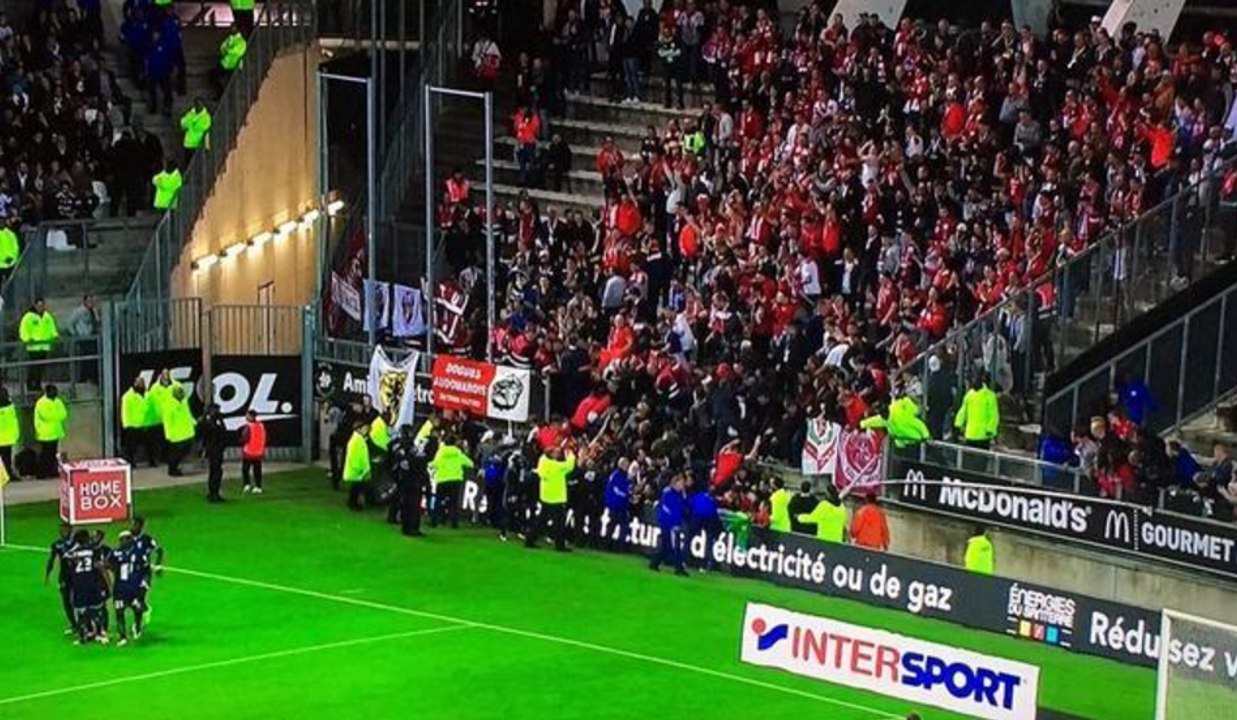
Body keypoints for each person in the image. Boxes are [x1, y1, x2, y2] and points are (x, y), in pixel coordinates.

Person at [526, 445, 575, 551]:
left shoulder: (543, 462)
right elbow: (569, 466)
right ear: (551, 454)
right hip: (556, 497)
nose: (558, 454)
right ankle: (559, 545)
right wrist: (571, 455)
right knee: (559, 523)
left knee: (541, 522)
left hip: (546, 496)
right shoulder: (554, 466)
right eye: (556, 452)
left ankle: (530, 540)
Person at [65, 529, 109, 644]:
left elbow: (67, 559)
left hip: (79, 584)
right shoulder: (93, 550)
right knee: (97, 610)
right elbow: (99, 565)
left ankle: (82, 637)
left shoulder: (72, 553)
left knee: (81, 613)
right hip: (92, 583)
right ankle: (100, 634)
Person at [109, 531, 149, 645]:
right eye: (121, 539)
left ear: (130, 539)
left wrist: (145, 582)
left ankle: (137, 626)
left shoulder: (139, 553)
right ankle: (123, 637)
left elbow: (146, 569)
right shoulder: (115, 553)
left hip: (134, 587)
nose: (122, 542)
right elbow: (108, 564)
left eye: (125, 539)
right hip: (120, 588)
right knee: (119, 611)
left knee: (137, 609)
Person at [388, 426, 430, 536]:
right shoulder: (409, 447)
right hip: (412, 481)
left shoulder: (398, 445)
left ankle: (406, 526)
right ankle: (411, 528)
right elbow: (415, 463)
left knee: (404, 502)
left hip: (403, 478)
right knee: (412, 505)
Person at [428, 434, 473, 528]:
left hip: (442, 479)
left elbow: (434, 464)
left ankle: (434, 522)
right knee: (454, 503)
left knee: (438, 501)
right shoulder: (458, 453)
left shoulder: (441, 452)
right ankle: (454, 523)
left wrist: (427, 464)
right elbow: (470, 463)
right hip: (455, 480)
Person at [650, 474, 688, 575]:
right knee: (675, 546)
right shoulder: (669, 493)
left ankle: (654, 563)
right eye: (681, 483)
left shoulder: (679, 495)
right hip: (669, 524)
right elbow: (670, 510)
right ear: (676, 482)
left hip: (670, 523)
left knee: (668, 546)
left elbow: (681, 509)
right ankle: (679, 569)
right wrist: (674, 523)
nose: (683, 485)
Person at [44, 523, 77, 634]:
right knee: (67, 602)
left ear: (71, 530)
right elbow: (51, 560)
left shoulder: (77, 542)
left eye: (66, 530)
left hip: (78, 576)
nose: (63, 533)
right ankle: (74, 625)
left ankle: (86, 625)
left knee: (80, 600)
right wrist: (47, 574)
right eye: (61, 530)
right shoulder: (57, 545)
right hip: (64, 577)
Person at [20, 298, 59, 391]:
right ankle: (30, 385)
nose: (40, 307)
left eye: (42, 305)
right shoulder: (28, 317)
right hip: (33, 347)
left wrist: (54, 336)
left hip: (44, 346)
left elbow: (52, 329)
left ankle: (37, 384)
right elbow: (23, 329)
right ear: (35, 305)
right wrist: (27, 339)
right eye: (39, 305)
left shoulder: (47, 317)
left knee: (41, 367)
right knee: (33, 367)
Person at [954, 373, 1000, 450]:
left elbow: (962, 412)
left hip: (974, 434)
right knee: (979, 459)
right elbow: (993, 415)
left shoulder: (970, 395)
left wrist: (958, 424)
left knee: (973, 459)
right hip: (980, 435)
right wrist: (991, 430)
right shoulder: (989, 396)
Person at [121, 378, 159, 467]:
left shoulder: (149, 395)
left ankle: (152, 461)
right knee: (132, 447)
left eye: (142, 383)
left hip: (148, 424)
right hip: (134, 425)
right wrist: (126, 424)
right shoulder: (128, 396)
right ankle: (132, 462)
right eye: (138, 383)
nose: (140, 384)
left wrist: (156, 421)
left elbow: (154, 408)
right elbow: (125, 411)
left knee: (152, 445)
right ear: (134, 384)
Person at [34, 385, 68, 479]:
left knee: (53, 454)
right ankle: (41, 473)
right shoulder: (41, 403)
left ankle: (52, 471)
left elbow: (64, 414)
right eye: (53, 391)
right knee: (45, 454)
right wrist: (56, 415)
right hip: (45, 433)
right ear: (47, 392)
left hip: (55, 433)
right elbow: (46, 416)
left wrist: (54, 415)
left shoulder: (58, 401)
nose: (55, 393)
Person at [161, 384, 195, 476]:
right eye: (179, 392)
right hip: (176, 434)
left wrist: (194, 422)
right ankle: (172, 469)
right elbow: (167, 420)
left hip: (186, 432)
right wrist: (168, 434)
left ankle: (175, 467)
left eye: (181, 392)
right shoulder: (169, 405)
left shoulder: (184, 402)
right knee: (175, 454)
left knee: (185, 451)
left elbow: (188, 414)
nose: (181, 394)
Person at [687, 479, 721, 571]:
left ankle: (703, 565)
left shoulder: (713, 500)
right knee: (690, 539)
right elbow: (690, 504)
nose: (712, 488)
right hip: (699, 518)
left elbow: (716, 513)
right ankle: (685, 560)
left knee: (707, 543)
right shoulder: (701, 496)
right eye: (711, 486)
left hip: (707, 520)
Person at [198, 403, 227, 502]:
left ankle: (214, 492)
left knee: (217, 471)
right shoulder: (206, 421)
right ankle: (213, 493)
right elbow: (204, 433)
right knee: (215, 470)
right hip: (213, 449)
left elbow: (223, 432)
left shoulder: (216, 420)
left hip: (217, 448)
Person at [603, 457, 632, 549]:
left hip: (621, 505)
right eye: (625, 464)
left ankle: (616, 545)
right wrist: (627, 494)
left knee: (620, 525)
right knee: (615, 524)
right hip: (615, 505)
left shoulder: (625, 476)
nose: (627, 466)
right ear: (621, 465)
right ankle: (610, 545)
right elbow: (617, 490)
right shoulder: (616, 475)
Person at [343, 422, 372, 510]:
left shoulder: (358, 439)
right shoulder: (356, 440)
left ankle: (353, 503)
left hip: (358, 469)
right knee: (357, 488)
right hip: (357, 470)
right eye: (365, 428)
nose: (366, 430)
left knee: (356, 488)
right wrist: (360, 468)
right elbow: (355, 457)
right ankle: (354, 504)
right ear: (358, 429)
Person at [211, 28, 248, 97]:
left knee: (231, 82)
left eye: (233, 27)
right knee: (213, 75)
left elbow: (235, 52)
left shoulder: (242, 41)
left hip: (235, 65)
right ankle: (221, 93)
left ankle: (229, 96)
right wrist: (227, 50)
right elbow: (222, 48)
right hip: (225, 63)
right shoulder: (230, 38)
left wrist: (227, 50)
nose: (231, 29)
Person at [239, 410, 266, 494]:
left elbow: (244, 439)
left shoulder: (248, 427)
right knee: (257, 469)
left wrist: (240, 441)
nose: (246, 417)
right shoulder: (261, 425)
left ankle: (247, 484)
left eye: (247, 415)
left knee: (245, 469)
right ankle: (258, 486)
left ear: (251, 416)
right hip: (258, 452)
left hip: (249, 452)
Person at [180, 97, 212, 165]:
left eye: (200, 104)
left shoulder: (206, 116)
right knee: (189, 165)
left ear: (203, 105)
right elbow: (183, 124)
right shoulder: (190, 114)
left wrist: (190, 123)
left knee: (198, 165)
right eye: (197, 104)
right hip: (188, 144)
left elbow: (204, 129)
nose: (198, 106)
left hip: (199, 145)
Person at [0, 387, 20, 482]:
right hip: (2, 438)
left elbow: (13, 421)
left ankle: (8, 474)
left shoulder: (11, 406)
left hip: (8, 438)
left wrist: (15, 434)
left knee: (7, 458)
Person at [0, 220, 19, 285]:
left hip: (10, 264)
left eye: (2, 222)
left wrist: (12, 258)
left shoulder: (11, 234)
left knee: (10, 285)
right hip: (3, 263)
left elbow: (16, 248)